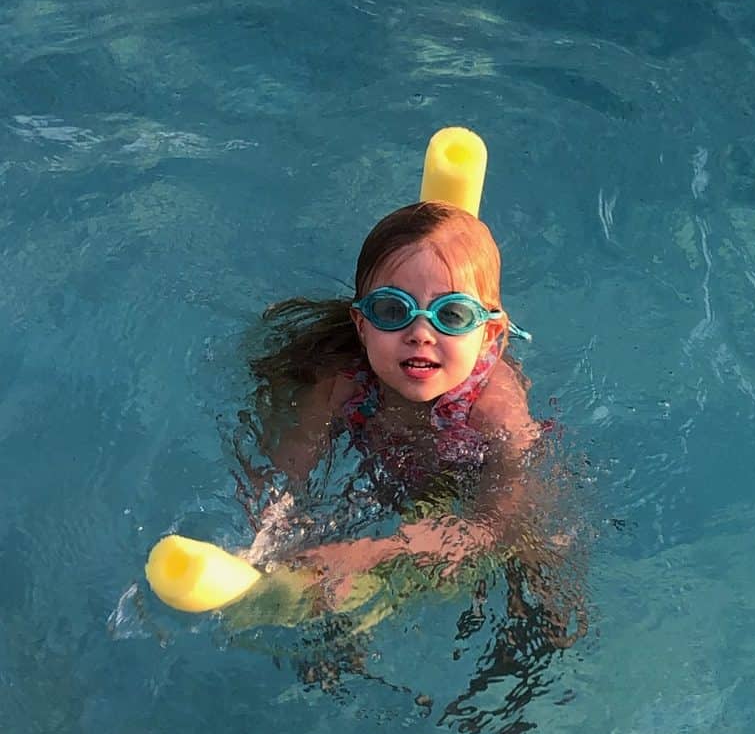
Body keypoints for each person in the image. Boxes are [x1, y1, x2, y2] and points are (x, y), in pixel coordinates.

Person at [239, 200, 585, 654]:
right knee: (318, 598)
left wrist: (370, 554)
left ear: (491, 335)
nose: (420, 332)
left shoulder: (493, 407)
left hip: (473, 481)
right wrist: (266, 543)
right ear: (361, 325)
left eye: (453, 315)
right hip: (390, 469)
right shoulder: (340, 382)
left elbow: (496, 521)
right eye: (391, 310)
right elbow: (281, 475)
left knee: (533, 576)